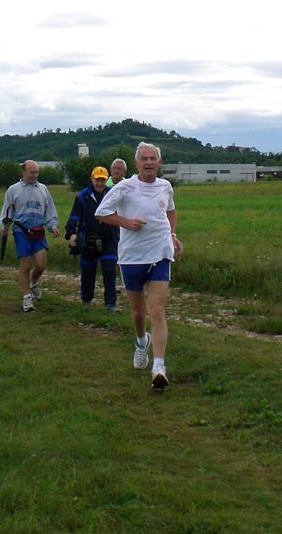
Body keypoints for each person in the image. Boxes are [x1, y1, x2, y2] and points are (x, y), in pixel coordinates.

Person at [95, 142, 182, 389]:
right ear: (137, 163)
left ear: (159, 163)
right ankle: (142, 340)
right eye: (144, 159)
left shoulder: (165, 186)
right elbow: (101, 213)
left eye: (153, 159)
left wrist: (173, 235)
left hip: (160, 254)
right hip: (132, 257)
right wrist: (127, 222)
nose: (149, 163)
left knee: (157, 309)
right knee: (138, 312)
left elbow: (171, 212)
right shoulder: (125, 187)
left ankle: (159, 367)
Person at [0, 160, 60, 312]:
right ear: (24, 172)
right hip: (21, 231)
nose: (34, 175)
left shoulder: (43, 189)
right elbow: (6, 211)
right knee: (25, 265)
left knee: (41, 264)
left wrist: (53, 226)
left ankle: (33, 283)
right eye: (32, 172)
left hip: (38, 231)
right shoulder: (13, 190)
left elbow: (49, 209)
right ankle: (26, 297)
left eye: (36, 172)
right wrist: (4, 226)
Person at [65, 166, 120, 311]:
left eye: (102, 180)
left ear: (106, 180)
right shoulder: (82, 196)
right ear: (92, 179)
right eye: (97, 180)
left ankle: (110, 304)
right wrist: (72, 234)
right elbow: (74, 217)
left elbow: (121, 215)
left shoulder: (113, 194)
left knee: (109, 270)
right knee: (87, 272)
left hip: (109, 239)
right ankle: (86, 300)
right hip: (87, 239)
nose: (100, 183)